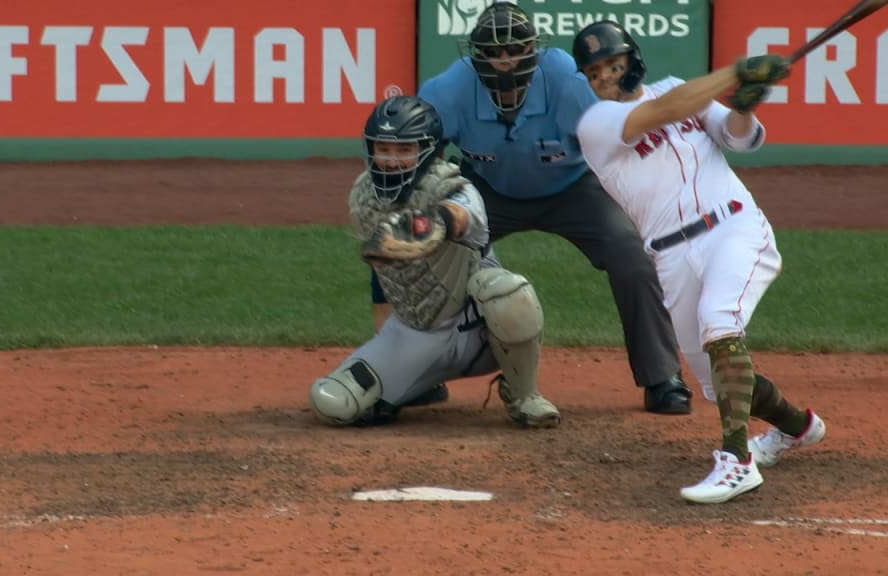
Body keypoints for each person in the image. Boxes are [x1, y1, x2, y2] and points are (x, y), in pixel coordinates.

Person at [571, 20, 826, 504]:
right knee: (714, 380)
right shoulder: (596, 125)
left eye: (610, 62)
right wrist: (737, 71)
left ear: (632, 57)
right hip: (670, 255)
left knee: (719, 322)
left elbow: (738, 138)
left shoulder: (681, 92)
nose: (603, 75)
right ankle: (798, 426)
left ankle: (737, 461)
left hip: (734, 227)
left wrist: (743, 108)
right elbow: (665, 109)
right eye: (593, 71)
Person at [414, 1, 692, 415]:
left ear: (535, 49)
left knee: (630, 254)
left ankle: (661, 376)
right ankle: (422, 373)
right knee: (432, 250)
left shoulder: (567, 79)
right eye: (494, 51)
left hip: (573, 187)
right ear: (476, 55)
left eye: (516, 49)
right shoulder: (447, 91)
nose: (505, 61)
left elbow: (619, 141)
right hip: (488, 190)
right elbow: (418, 154)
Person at [308, 95, 560, 429]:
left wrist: (429, 224)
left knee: (506, 291)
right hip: (416, 334)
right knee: (333, 403)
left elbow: (457, 214)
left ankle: (524, 394)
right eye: (383, 149)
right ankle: (419, 385)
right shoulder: (364, 198)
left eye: (403, 150)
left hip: (479, 333)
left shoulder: (455, 187)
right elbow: (383, 277)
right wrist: (384, 347)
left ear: (428, 151)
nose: (391, 161)